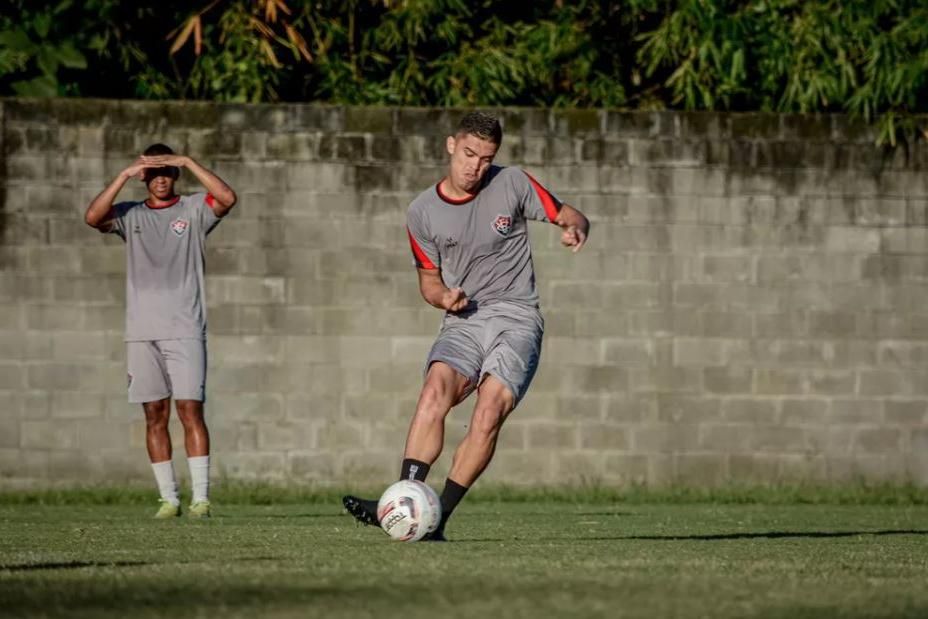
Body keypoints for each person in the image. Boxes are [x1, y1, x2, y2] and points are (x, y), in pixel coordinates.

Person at [343, 111, 590, 540]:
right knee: (434, 391)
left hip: (516, 317)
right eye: (469, 153)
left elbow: (571, 215)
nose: (475, 166)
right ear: (451, 145)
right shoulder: (422, 211)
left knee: (489, 409)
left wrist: (576, 228)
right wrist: (443, 297)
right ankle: (405, 499)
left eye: (485, 157)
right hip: (463, 319)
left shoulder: (511, 183)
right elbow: (428, 281)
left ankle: (437, 520)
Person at [84, 143, 237, 519]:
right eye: (153, 174)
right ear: (144, 179)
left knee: (190, 409)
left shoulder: (193, 209)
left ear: (175, 176)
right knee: (154, 413)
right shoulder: (129, 214)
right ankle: (169, 499)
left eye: (167, 172)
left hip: (184, 327)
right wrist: (122, 175)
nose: (161, 180)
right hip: (141, 330)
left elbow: (227, 197)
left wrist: (185, 160)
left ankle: (201, 498)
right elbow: (92, 217)